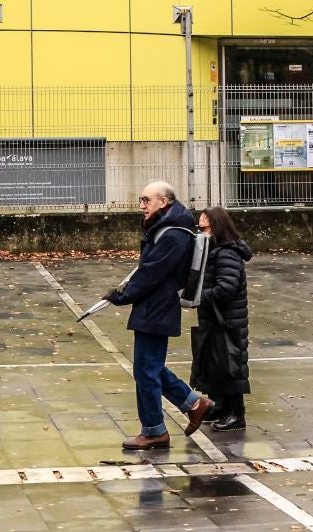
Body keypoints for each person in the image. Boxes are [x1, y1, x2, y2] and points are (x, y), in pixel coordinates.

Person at [106, 180, 213, 449]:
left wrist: (122, 296)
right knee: (148, 368)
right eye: (141, 200)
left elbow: (151, 273)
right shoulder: (167, 229)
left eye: (147, 200)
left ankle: (155, 431)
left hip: (157, 308)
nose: (142, 205)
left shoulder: (173, 234)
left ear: (163, 202)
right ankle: (193, 404)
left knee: (146, 371)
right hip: (154, 307)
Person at [191, 205, 252, 431]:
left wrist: (199, 296)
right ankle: (220, 406)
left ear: (215, 228)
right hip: (215, 318)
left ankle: (236, 413)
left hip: (227, 320)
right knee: (215, 363)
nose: (200, 232)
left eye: (203, 228)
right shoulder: (214, 250)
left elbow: (227, 288)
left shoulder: (227, 253)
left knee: (230, 365)